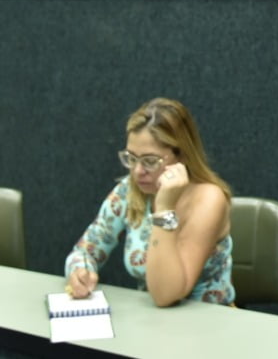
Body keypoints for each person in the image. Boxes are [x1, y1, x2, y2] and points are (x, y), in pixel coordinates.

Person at [65, 98, 234, 306]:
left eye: (150, 161)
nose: (137, 171)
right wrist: (80, 270)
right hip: (152, 323)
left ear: (182, 157)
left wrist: (164, 209)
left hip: (209, 324)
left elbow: (167, 295)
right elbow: (84, 251)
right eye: (132, 158)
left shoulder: (209, 199)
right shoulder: (129, 190)